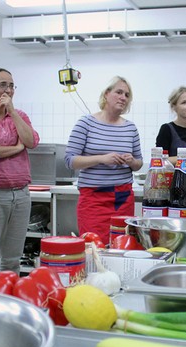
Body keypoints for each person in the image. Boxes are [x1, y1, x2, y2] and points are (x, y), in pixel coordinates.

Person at [64, 76, 143, 244]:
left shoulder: (130, 128)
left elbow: (139, 163)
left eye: (127, 95)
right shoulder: (86, 123)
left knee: (121, 245)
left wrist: (131, 161)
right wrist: (101, 159)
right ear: (106, 94)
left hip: (122, 197)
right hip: (93, 198)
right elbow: (70, 160)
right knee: (94, 247)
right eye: (119, 92)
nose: (123, 97)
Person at [0, 68, 40, 274]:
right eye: (2, 84)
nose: (8, 89)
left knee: (12, 257)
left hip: (21, 193)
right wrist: (16, 148)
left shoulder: (19, 115)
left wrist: (12, 112)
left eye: (11, 85)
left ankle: (9, 297)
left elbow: (30, 141)